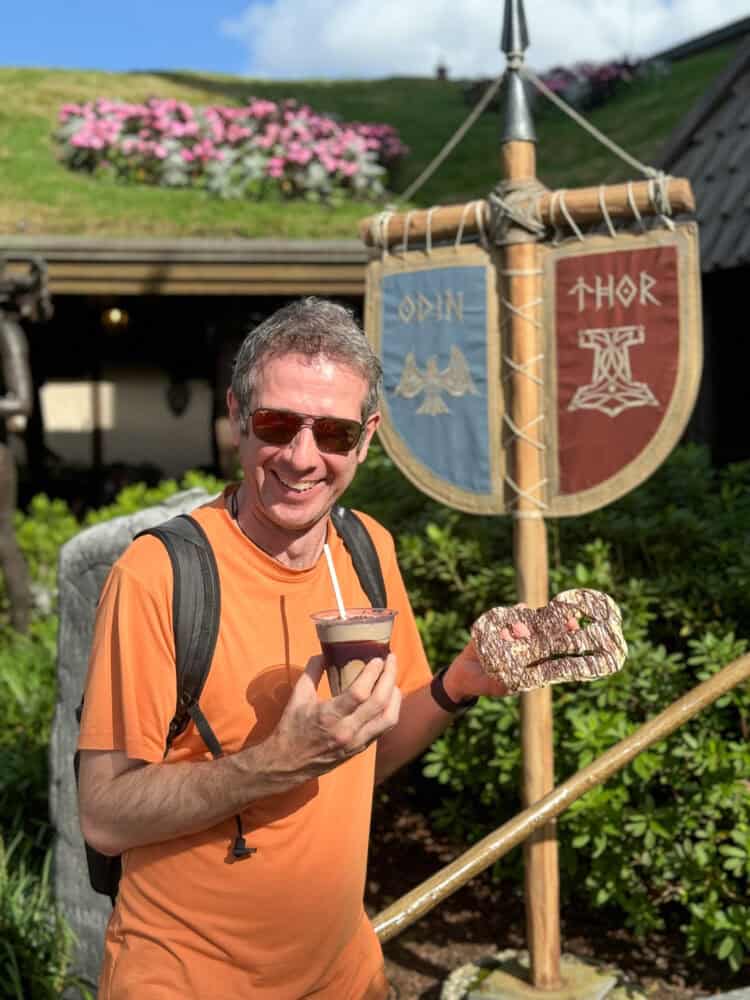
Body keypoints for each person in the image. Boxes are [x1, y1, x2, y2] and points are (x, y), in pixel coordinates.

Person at [77, 297, 508, 1000]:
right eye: (278, 424)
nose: (304, 458)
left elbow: (363, 756)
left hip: (343, 974)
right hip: (184, 980)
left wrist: (456, 684)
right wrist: (276, 761)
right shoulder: (160, 576)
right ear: (238, 421)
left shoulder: (366, 550)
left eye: (333, 432)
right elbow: (104, 816)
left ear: (365, 439)